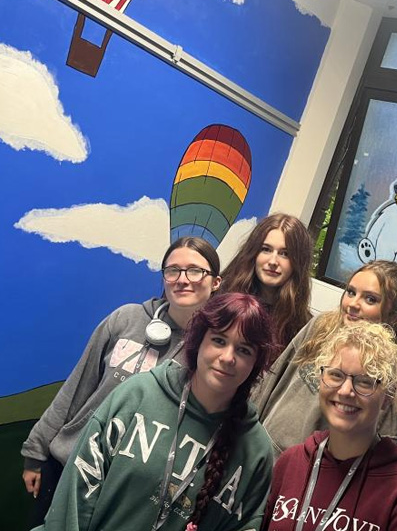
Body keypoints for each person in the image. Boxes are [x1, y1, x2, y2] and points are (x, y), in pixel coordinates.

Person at [21, 236, 222, 526]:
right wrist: (35, 451)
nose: (182, 279)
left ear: (215, 282)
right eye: (173, 270)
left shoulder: (211, 350)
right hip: (69, 464)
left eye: (195, 271)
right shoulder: (126, 318)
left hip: (128, 487)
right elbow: (77, 387)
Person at [36, 293, 278, 531]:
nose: (228, 357)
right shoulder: (138, 394)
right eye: (219, 340)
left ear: (256, 364)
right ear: (199, 341)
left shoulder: (256, 450)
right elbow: (75, 493)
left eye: (244, 350)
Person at [262, 322, 397, 531]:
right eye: (336, 375)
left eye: (364, 382)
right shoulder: (291, 463)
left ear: (387, 397)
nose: (345, 391)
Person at [253, 260, 397, 456]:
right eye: (351, 292)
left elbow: (382, 457)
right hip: (260, 448)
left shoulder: (391, 376)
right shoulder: (321, 328)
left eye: (370, 299)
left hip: (306, 470)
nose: (353, 304)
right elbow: (271, 379)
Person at [219, 213, 312, 349]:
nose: (273, 261)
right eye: (266, 249)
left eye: (284, 254)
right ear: (254, 253)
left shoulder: (304, 328)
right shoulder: (220, 298)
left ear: (298, 262)